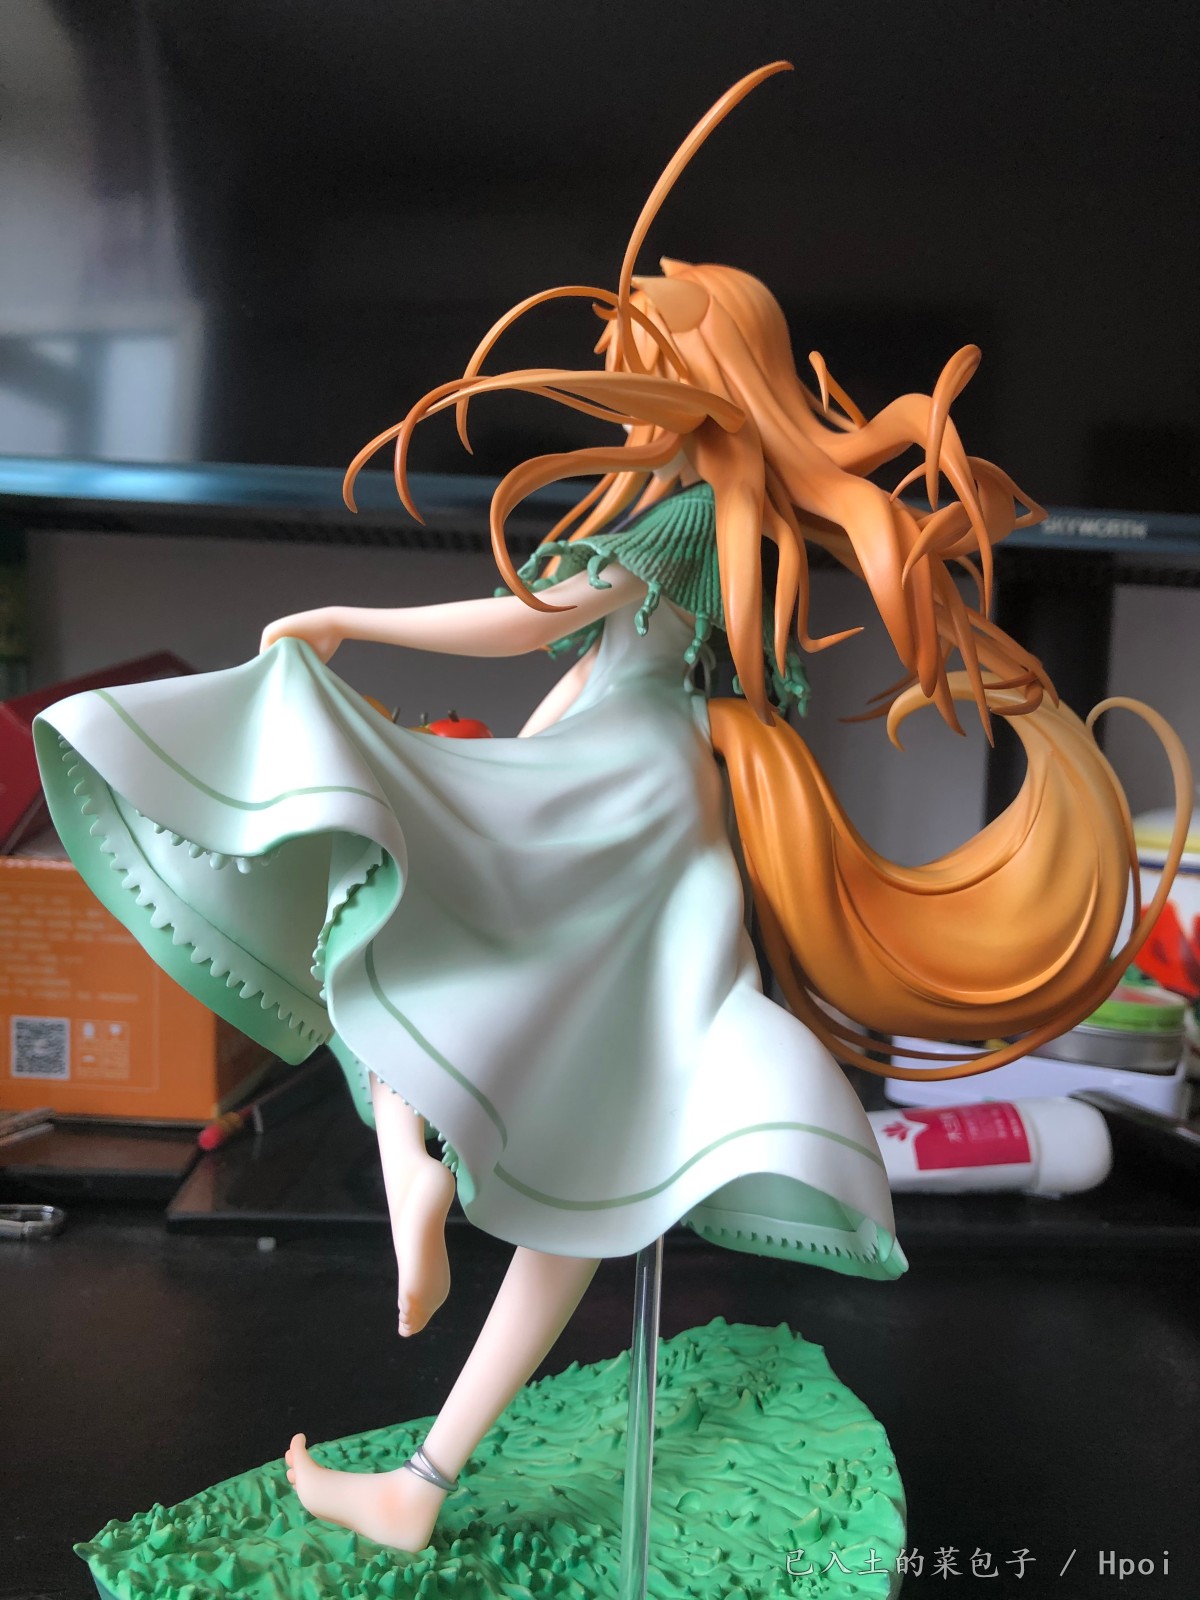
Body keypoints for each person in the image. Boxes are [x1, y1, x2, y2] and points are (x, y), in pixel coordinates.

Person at [32, 64, 1188, 1554]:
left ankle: (408, 1175)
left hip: (621, 796)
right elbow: (598, 679)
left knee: (380, 905)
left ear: (692, 367)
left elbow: (534, 621)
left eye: (639, 350)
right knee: (595, 1155)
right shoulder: (747, 540)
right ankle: (423, 1467)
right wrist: (501, 756)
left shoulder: (691, 515)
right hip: (671, 826)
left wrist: (344, 620)